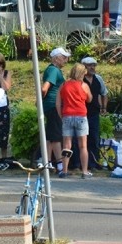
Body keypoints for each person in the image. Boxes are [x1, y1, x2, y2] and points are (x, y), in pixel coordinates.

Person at [57, 63, 93, 178]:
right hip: (81, 116)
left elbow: (58, 103)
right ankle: (84, 171)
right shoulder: (84, 85)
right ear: (82, 73)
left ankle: (65, 171)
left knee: (66, 145)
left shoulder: (63, 85)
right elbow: (90, 99)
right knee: (83, 146)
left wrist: (61, 115)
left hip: (67, 115)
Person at [41, 47, 70, 175]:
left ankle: (53, 162)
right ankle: (55, 163)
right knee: (55, 135)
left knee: (52, 135)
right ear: (56, 58)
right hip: (53, 105)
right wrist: (41, 100)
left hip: (51, 105)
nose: (66, 60)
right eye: (63, 57)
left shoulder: (53, 69)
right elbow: (44, 88)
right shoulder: (54, 70)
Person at [81, 57, 108, 171]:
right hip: (81, 113)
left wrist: (103, 107)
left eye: (94, 65)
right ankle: (82, 163)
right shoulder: (80, 79)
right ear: (84, 67)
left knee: (94, 138)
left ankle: (94, 162)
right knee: (82, 139)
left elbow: (104, 93)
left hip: (94, 113)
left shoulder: (98, 79)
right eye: (89, 65)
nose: (92, 67)